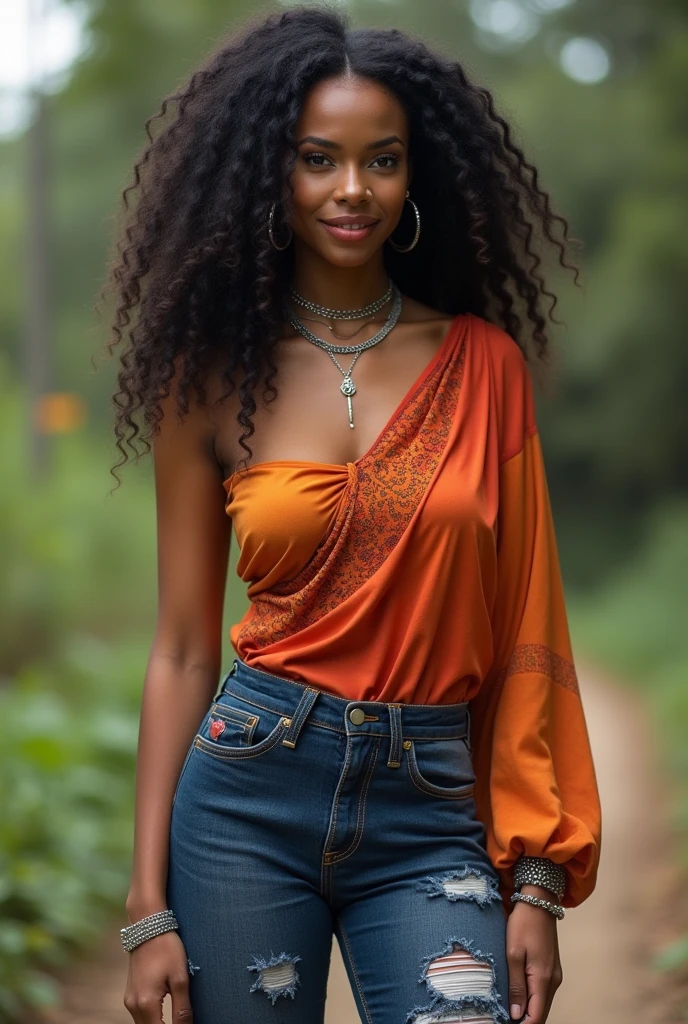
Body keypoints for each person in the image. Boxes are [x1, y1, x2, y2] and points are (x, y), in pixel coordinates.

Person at [103, 6, 602, 1023]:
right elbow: (185, 649)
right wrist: (146, 904)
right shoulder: (207, 378)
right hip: (244, 793)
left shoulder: (484, 367)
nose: (350, 190)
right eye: (317, 158)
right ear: (268, 174)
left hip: (430, 809)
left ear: (416, 176)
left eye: (382, 160)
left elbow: (525, 632)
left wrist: (535, 876)